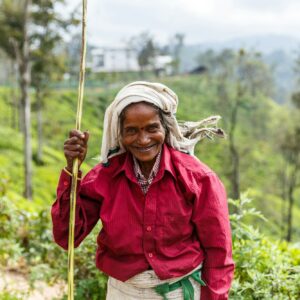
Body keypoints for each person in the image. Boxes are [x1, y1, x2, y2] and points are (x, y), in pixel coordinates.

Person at [51, 81, 235, 300]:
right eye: (132, 131)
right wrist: (73, 168)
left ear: (165, 128)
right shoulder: (105, 178)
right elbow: (67, 236)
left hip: (179, 292)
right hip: (123, 292)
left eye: (152, 128)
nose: (143, 139)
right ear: (120, 134)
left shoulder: (198, 178)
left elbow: (218, 253)